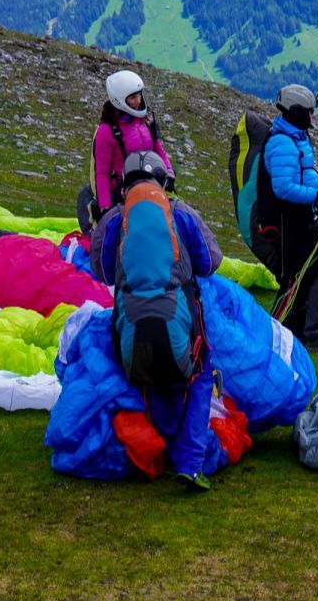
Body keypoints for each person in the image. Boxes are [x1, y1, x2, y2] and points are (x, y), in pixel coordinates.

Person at [89, 152, 223, 489]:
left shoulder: (115, 219)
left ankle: (158, 450)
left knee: (149, 379)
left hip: (130, 329)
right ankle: (191, 464)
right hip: (177, 321)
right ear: (163, 180)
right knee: (199, 372)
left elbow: (102, 271)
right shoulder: (180, 213)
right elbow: (211, 262)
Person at [261, 84, 318, 353]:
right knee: (316, 273)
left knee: (305, 275)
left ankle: (290, 332)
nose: (313, 116)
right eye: (309, 111)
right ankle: (313, 334)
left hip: (304, 218)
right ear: (296, 112)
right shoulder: (283, 144)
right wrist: (317, 195)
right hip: (295, 223)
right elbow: (283, 188)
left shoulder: (294, 138)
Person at [92, 69, 172, 217]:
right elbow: (102, 172)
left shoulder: (146, 121)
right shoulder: (106, 131)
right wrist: (105, 207)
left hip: (151, 189)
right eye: (133, 97)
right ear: (119, 100)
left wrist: (169, 172)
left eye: (140, 94)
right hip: (122, 197)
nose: (139, 100)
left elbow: (158, 149)